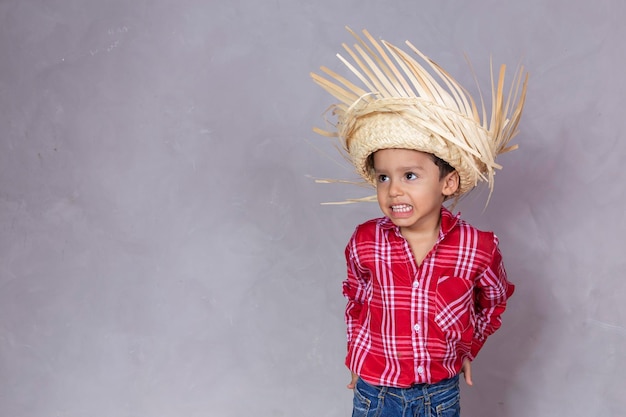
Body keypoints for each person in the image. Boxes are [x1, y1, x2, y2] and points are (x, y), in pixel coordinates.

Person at [311, 27, 528, 416]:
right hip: (375, 392)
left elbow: (492, 301)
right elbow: (357, 298)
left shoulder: (476, 248)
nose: (394, 190)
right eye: (383, 177)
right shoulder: (365, 241)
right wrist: (358, 354)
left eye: (410, 176)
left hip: (437, 394)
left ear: (448, 182)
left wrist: (466, 345)